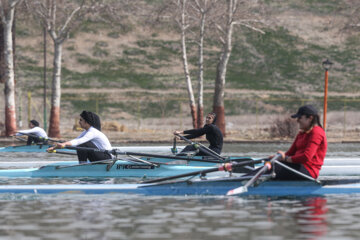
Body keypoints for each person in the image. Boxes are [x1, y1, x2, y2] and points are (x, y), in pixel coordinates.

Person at [272, 105, 327, 180]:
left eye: (300, 117)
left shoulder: (317, 132)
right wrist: (278, 157)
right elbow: (290, 153)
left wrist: (285, 159)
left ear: (310, 118)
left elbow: (306, 157)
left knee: (273, 167)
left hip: (309, 171)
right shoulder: (301, 133)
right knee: (270, 162)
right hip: (297, 166)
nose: (297, 120)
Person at [47, 111, 112, 163]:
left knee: (83, 144)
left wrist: (64, 144)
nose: (79, 122)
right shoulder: (85, 132)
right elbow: (75, 140)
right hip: (100, 155)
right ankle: (82, 163)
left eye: (81, 120)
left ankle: (82, 165)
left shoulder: (93, 132)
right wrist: (54, 148)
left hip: (107, 157)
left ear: (86, 122)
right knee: (80, 145)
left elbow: (79, 141)